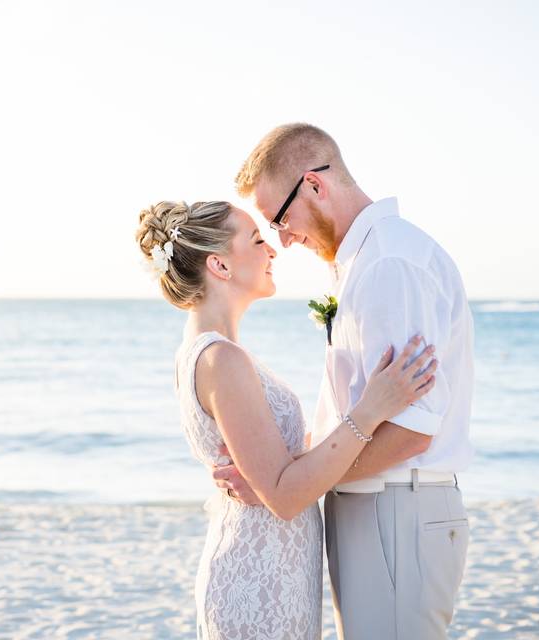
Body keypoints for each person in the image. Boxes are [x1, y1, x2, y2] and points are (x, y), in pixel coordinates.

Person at [215, 123, 474, 639]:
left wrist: (288, 483)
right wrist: (282, 474)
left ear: (314, 185)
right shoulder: (362, 263)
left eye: (280, 220)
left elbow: (410, 430)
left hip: (396, 508)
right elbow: (354, 411)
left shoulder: (388, 265)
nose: (283, 241)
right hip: (374, 509)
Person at [135, 199, 437, 639]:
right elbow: (284, 496)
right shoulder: (222, 358)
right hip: (260, 580)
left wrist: (279, 470)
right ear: (219, 264)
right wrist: (372, 408)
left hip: (273, 570)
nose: (272, 249)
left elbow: (274, 471)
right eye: (257, 239)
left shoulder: (206, 351)